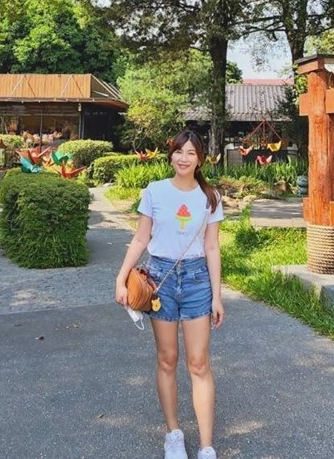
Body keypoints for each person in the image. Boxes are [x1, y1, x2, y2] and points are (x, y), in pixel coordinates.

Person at [115, 130, 224, 459]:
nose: (184, 158)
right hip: (159, 279)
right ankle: (173, 434)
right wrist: (121, 278)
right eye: (179, 151)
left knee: (199, 363)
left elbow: (212, 247)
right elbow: (140, 239)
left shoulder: (210, 198)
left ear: (200, 158)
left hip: (196, 280)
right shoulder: (154, 191)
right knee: (167, 359)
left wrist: (217, 296)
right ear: (171, 155)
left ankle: (206, 446)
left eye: (191, 153)